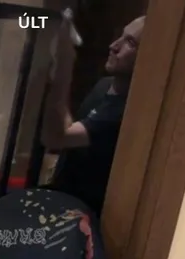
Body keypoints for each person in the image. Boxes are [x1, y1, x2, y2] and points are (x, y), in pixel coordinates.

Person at [42, 14, 145, 215]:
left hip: (79, 214)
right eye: (121, 36)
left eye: (130, 42)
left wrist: (64, 65)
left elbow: (55, 137)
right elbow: (70, 126)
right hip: (59, 196)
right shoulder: (104, 85)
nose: (114, 46)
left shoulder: (126, 109)